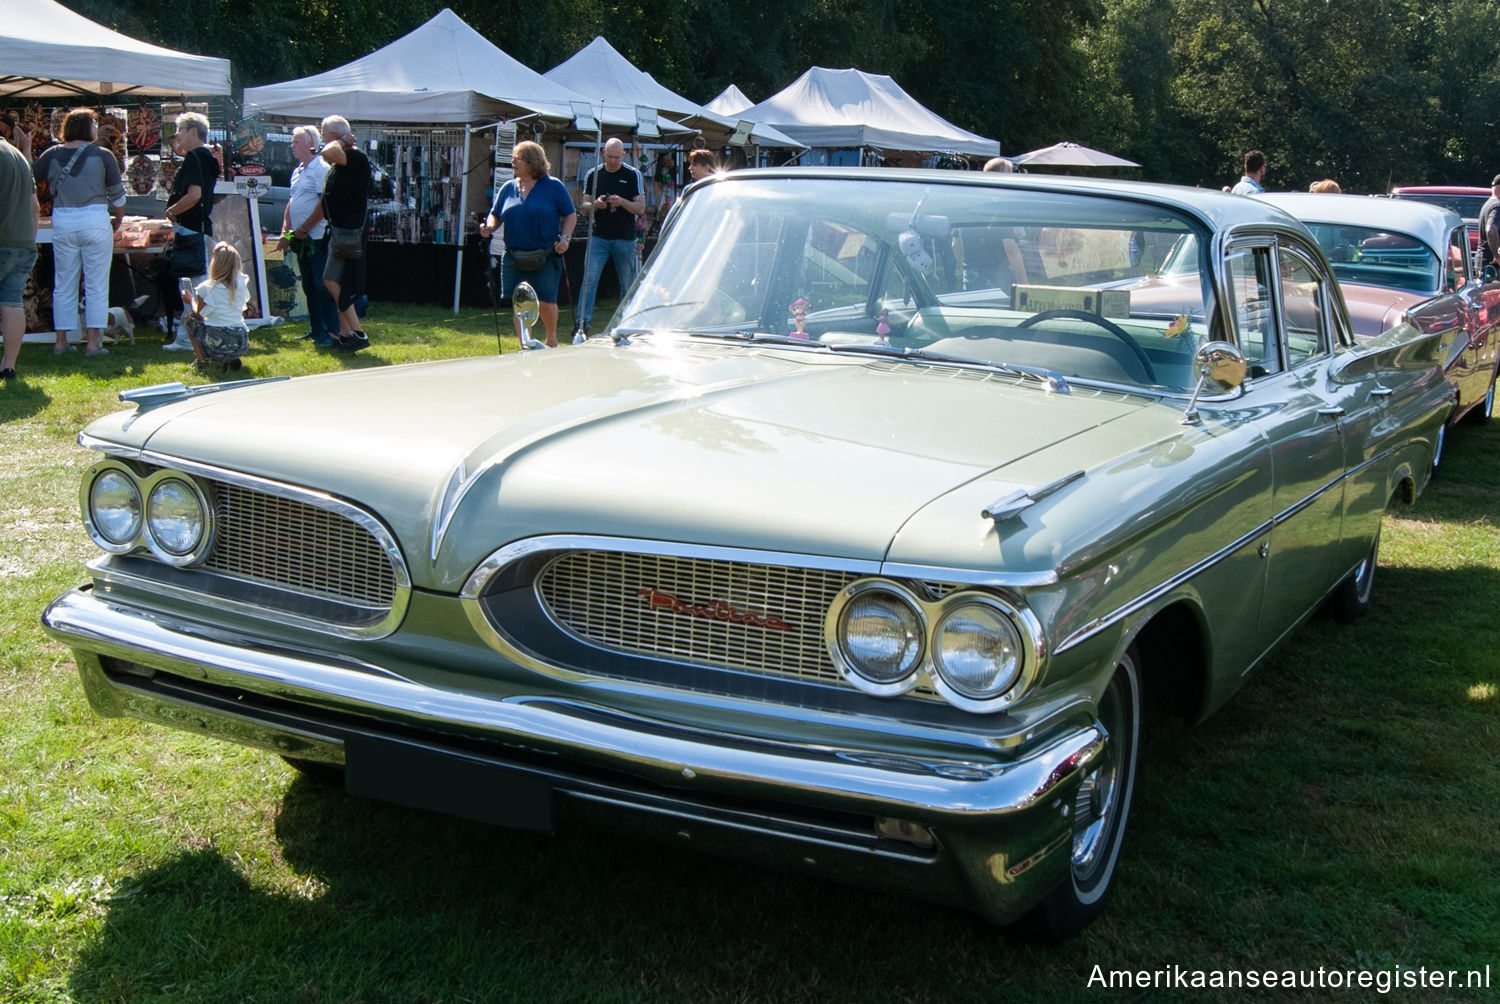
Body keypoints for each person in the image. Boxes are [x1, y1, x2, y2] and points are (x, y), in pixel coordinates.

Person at [31, 108, 125, 356]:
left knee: (63, 284)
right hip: (95, 219)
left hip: (63, 221)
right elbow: (118, 197)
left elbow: (29, 174)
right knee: (95, 285)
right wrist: (118, 220)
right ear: (88, 127)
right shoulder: (104, 156)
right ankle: (93, 343)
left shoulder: (51, 154)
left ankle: (61, 342)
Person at [478, 140, 576, 348]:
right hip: (513, 255)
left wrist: (565, 239)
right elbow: (495, 215)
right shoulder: (508, 188)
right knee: (520, 302)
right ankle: (526, 344)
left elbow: (570, 214)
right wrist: (488, 227)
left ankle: (551, 339)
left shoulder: (553, 186)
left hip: (546, 254)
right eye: (512, 158)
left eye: (518, 159)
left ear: (532, 162)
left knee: (547, 302)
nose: (513, 162)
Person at [161, 111, 219, 351]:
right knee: (194, 286)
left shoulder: (195, 157)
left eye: (180, 131)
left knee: (194, 287)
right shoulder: (208, 158)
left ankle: (196, 338)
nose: (177, 137)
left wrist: (172, 212)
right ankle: (190, 338)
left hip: (191, 229)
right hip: (198, 228)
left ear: (193, 131)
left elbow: (194, 195)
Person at [575, 137, 643, 336]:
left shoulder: (633, 175)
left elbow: (640, 207)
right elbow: (584, 207)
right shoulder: (593, 174)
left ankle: (626, 322)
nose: (612, 160)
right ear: (603, 153)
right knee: (589, 278)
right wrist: (597, 204)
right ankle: (582, 323)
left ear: (624, 155)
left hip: (625, 238)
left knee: (627, 282)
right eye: (609, 156)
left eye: (616, 157)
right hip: (599, 237)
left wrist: (622, 202)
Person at [277, 125, 338, 346]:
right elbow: (292, 202)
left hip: (317, 237)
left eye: (296, 142)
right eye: (292, 142)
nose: (292, 145)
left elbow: (324, 204)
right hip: (301, 237)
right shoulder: (298, 171)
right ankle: (316, 329)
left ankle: (330, 332)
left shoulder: (320, 168)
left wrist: (304, 229)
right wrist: (286, 229)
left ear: (311, 143)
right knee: (309, 286)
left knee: (321, 285)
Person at [318, 115, 371, 352]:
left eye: (324, 133)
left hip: (348, 230)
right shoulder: (344, 158)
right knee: (337, 281)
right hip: (340, 228)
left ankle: (358, 332)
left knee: (331, 280)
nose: (321, 138)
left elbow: (327, 152)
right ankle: (345, 333)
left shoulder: (355, 156)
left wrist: (342, 140)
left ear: (335, 136)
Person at [0, 131, 39, 382]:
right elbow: (34, 205)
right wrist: (30, 240)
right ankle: (9, 366)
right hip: (22, 243)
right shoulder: (17, 156)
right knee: (12, 304)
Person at [182, 241, 250, 371]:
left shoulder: (206, 288)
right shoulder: (240, 284)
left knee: (190, 318)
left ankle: (201, 360)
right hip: (240, 341)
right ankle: (231, 358)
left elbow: (199, 315)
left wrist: (190, 300)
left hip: (216, 341)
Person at [1480, 175, 1500, 273]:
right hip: (1493, 266)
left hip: (1485, 263)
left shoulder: (1489, 204)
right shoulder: (1497, 206)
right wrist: (1497, 257)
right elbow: (1490, 229)